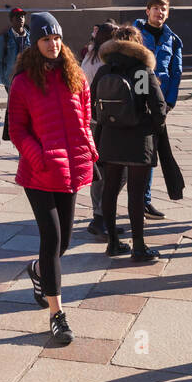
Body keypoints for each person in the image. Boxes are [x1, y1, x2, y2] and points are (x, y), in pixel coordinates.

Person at [7, 13, 97, 345]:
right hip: (39, 172)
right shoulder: (23, 82)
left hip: (70, 169)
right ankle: (57, 314)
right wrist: (39, 156)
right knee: (51, 237)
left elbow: (86, 116)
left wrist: (88, 147)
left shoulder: (75, 76)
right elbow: (17, 129)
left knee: (65, 242)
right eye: (46, 39)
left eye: (57, 38)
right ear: (35, 42)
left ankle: (39, 271)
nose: (53, 44)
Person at [91, 24, 166, 262]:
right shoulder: (141, 71)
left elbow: (94, 102)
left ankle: (113, 242)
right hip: (138, 139)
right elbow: (157, 107)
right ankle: (139, 247)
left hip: (110, 138)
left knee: (110, 189)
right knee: (136, 193)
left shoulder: (105, 70)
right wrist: (153, 127)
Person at [132, 0, 183, 218]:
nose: (159, 13)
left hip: (159, 102)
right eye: (155, 8)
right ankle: (132, 200)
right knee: (133, 153)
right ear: (147, 11)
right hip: (137, 98)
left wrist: (169, 101)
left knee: (150, 152)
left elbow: (176, 72)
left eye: (163, 9)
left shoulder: (173, 39)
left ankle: (144, 200)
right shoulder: (134, 34)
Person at [80, 21, 123, 238]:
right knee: (107, 171)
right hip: (101, 122)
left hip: (96, 120)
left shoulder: (92, 56)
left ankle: (102, 215)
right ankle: (100, 216)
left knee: (105, 171)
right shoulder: (99, 62)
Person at [0, 8, 32, 141]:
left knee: (27, 106)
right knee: (14, 105)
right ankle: (12, 133)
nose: (21, 19)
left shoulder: (30, 37)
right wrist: (4, 78)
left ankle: (25, 132)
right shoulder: (4, 38)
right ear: (11, 20)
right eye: (17, 17)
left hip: (28, 78)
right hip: (11, 79)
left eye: (22, 17)